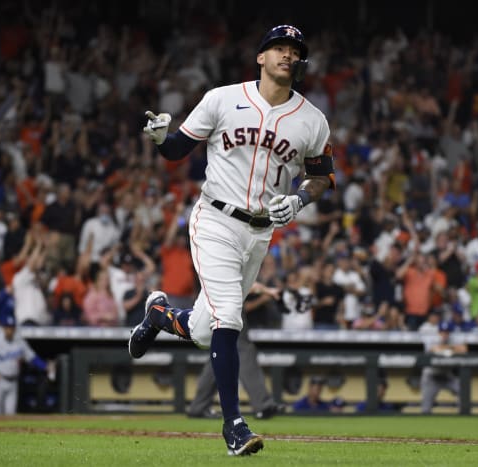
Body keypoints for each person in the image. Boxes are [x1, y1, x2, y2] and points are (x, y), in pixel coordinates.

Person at [129, 24, 334, 456]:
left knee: (205, 331)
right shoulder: (222, 98)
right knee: (230, 319)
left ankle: (158, 315)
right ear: (261, 57)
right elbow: (175, 151)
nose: (286, 55)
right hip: (215, 220)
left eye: (294, 50)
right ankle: (234, 426)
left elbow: (321, 177)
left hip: (260, 233)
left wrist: (298, 200)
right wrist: (159, 139)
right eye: (278, 47)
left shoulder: (313, 120)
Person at [187, 283, 285, 420]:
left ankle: (198, 406)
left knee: (219, 355)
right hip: (225, 305)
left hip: (217, 303)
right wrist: (267, 290)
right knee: (244, 350)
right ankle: (263, 405)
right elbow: (241, 282)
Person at [0, 314, 52, 415]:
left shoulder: (19, 342)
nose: (9, 330)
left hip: (13, 382)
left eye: (11, 328)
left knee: (11, 415)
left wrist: (45, 366)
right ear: (3, 328)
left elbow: (32, 357)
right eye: (7, 327)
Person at [420, 321, 468, 414]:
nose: (444, 334)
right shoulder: (432, 338)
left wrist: (448, 347)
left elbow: (464, 349)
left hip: (447, 375)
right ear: (439, 332)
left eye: (447, 332)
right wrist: (451, 348)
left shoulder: (453, 339)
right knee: (426, 407)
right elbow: (433, 349)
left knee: (463, 391)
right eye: (442, 332)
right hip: (431, 376)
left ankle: (464, 416)